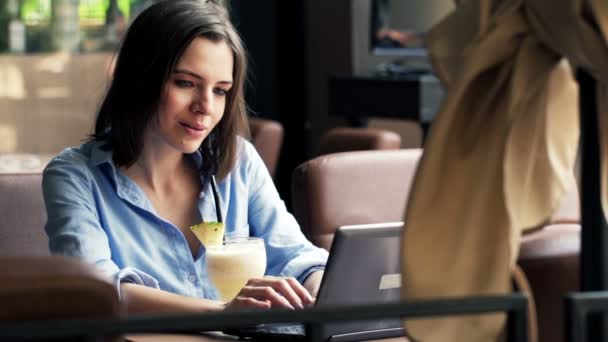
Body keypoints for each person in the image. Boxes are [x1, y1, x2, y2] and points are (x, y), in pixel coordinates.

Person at [42, 0, 328, 314]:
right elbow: (97, 293)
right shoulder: (75, 176)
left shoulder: (239, 162)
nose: (205, 106)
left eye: (220, 90)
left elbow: (297, 257)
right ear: (141, 78)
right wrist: (222, 314)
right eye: (186, 83)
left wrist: (320, 292)